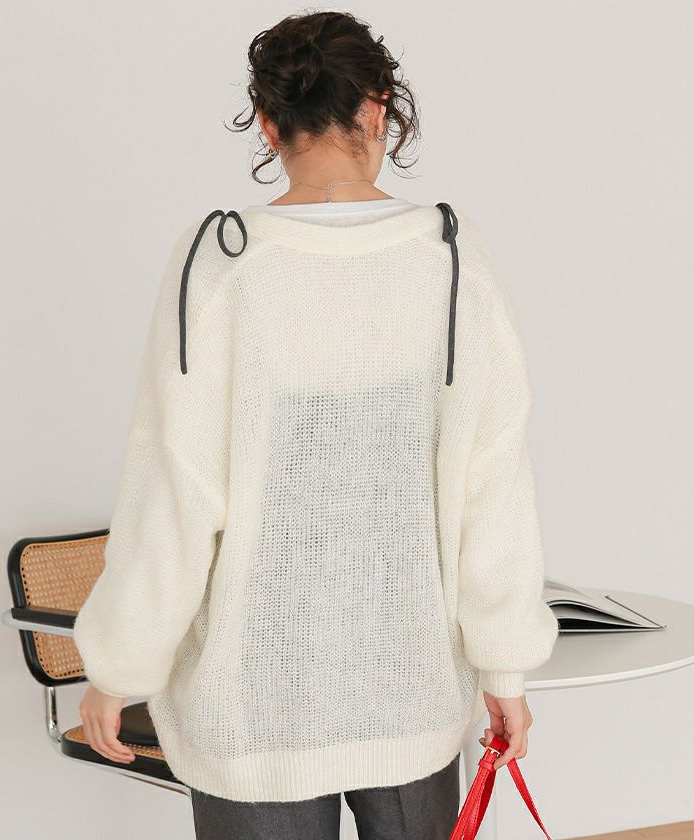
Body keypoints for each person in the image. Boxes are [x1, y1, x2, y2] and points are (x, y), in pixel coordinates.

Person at [73, 9, 559, 840]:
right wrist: (504, 668)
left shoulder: (222, 261)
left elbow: (176, 491)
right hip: (408, 695)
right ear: (377, 109)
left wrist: (119, 666)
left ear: (268, 124)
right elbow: (494, 482)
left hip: (254, 706)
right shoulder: (450, 258)